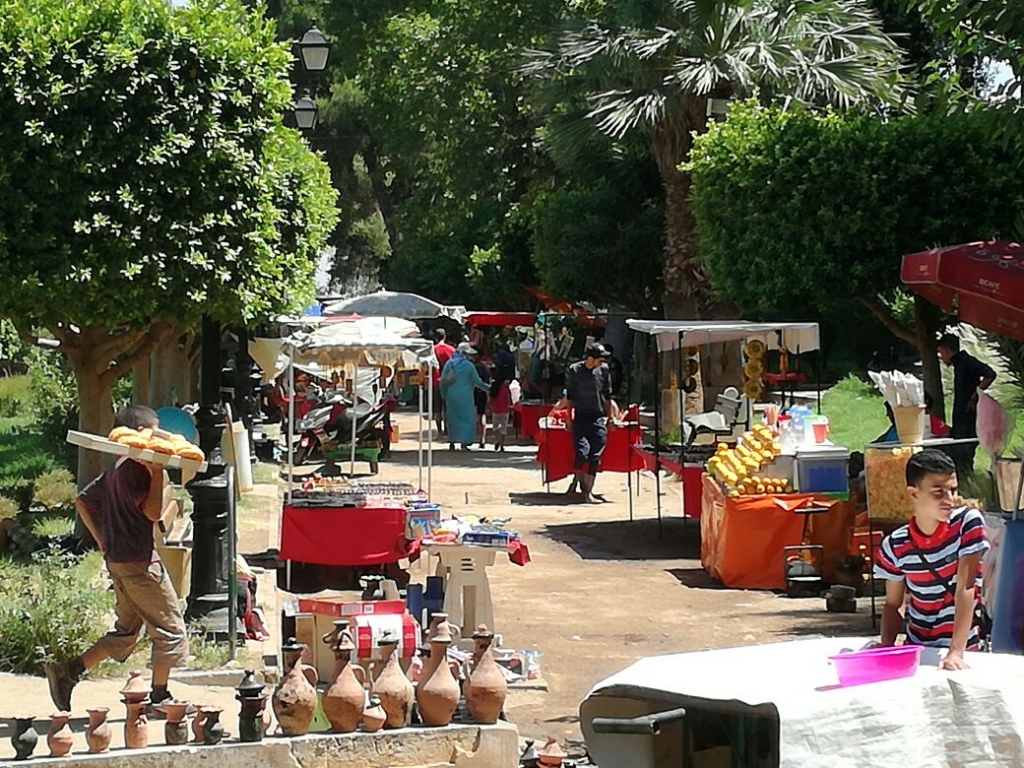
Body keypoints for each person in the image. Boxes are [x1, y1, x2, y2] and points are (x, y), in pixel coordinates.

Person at [45, 406, 189, 712]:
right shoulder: (138, 468)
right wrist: (158, 471)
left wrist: (102, 541)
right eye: (155, 429)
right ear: (141, 433)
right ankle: (160, 696)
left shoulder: (117, 467)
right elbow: (153, 513)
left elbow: (83, 500)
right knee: (171, 630)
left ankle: (68, 672)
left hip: (118, 562)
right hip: (140, 563)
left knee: (126, 633)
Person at [874, 449, 989, 669]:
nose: (950, 500)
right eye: (938, 492)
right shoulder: (895, 545)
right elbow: (893, 604)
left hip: (964, 651)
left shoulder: (967, 523)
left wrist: (956, 652)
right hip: (917, 651)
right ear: (913, 493)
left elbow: (965, 588)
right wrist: (885, 647)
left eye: (953, 490)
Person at [565, 343, 617, 503]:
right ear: (590, 358)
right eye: (600, 359)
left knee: (595, 456)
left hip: (598, 418)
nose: (602, 361)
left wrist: (611, 418)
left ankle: (588, 493)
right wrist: (568, 418)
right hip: (580, 417)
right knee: (582, 453)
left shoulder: (604, 370)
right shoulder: (575, 370)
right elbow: (570, 396)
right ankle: (579, 483)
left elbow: (607, 395)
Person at [937, 333, 996, 473]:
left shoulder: (967, 362)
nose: (941, 357)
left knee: (963, 456)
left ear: (946, 350)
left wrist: (976, 394)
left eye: (941, 353)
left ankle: (967, 480)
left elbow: (990, 374)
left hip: (968, 418)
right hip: (961, 418)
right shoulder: (959, 364)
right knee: (956, 454)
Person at [440, 342, 489, 451]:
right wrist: (488, 388)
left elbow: (443, 381)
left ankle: (452, 441)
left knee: (452, 419)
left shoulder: (450, 363)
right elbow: (477, 382)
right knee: (467, 419)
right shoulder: (469, 366)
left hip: (451, 395)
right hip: (466, 396)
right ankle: (464, 442)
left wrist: (444, 394)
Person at [432, 328, 456, 437]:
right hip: (450, 382)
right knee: (448, 407)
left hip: (436, 382)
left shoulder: (432, 350)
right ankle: (448, 430)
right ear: (445, 337)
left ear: (436, 337)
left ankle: (439, 431)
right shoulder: (451, 350)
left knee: (437, 408)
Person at [490, 375, 513, 452]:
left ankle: (498, 440)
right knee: (504, 428)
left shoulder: (494, 389)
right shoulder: (506, 389)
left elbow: (490, 400)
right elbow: (509, 400)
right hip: (505, 411)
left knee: (495, 427)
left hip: (496, 410)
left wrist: (490, 408)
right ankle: (502, 444)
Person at [473, 357, 492, 448]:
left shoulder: (473, 367)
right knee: (482, 416)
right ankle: (482, 439)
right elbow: (489, 383)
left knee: (475, 416)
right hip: (484, 393)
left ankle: (473, 437)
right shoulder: (486, 369)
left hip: (474, 393)